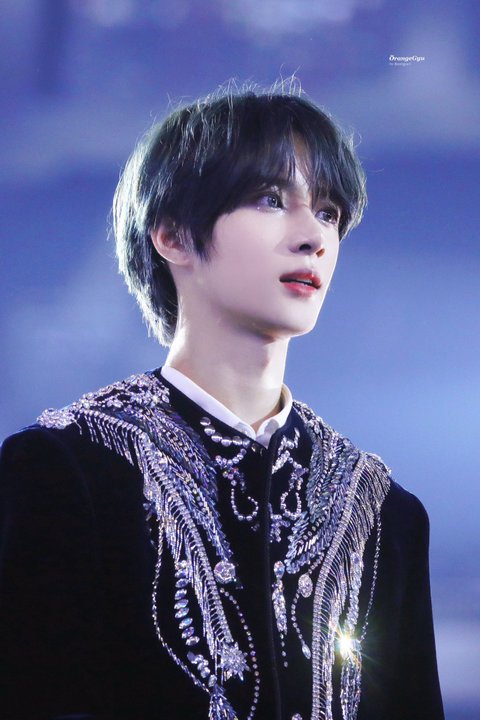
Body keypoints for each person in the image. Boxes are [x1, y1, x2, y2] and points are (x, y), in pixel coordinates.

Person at [0, 83, 444, 720]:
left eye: (328, 212)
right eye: (271, 200)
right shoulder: (66, 471)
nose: (313, 237)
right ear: (173, 234)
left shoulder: (384, 514)